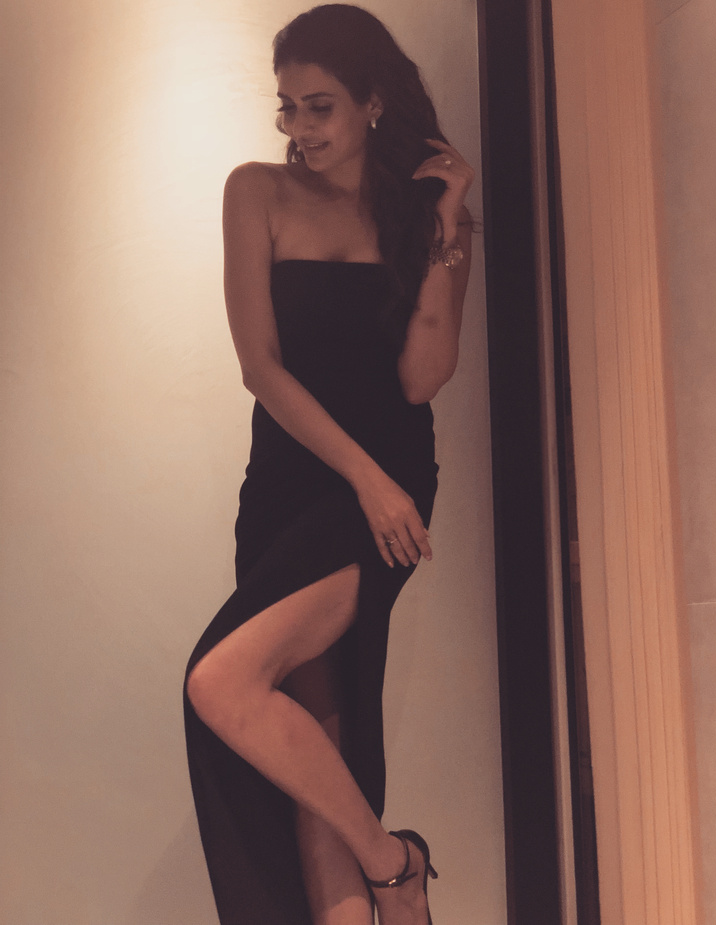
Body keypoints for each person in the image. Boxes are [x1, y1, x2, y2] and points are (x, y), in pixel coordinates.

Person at [183, 5, 473, 924]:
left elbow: (422, 378)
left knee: (221, 680)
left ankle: (393, 867)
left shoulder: (423, 220)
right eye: (289, 107)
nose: (300, 128)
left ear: (372, 102)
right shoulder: (256, 192)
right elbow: (260, 367)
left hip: (387, 488)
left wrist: (446, 225)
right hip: (297, 484)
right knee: (317, 744)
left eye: (320, 107)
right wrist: (364, 478)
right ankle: (394, 870)